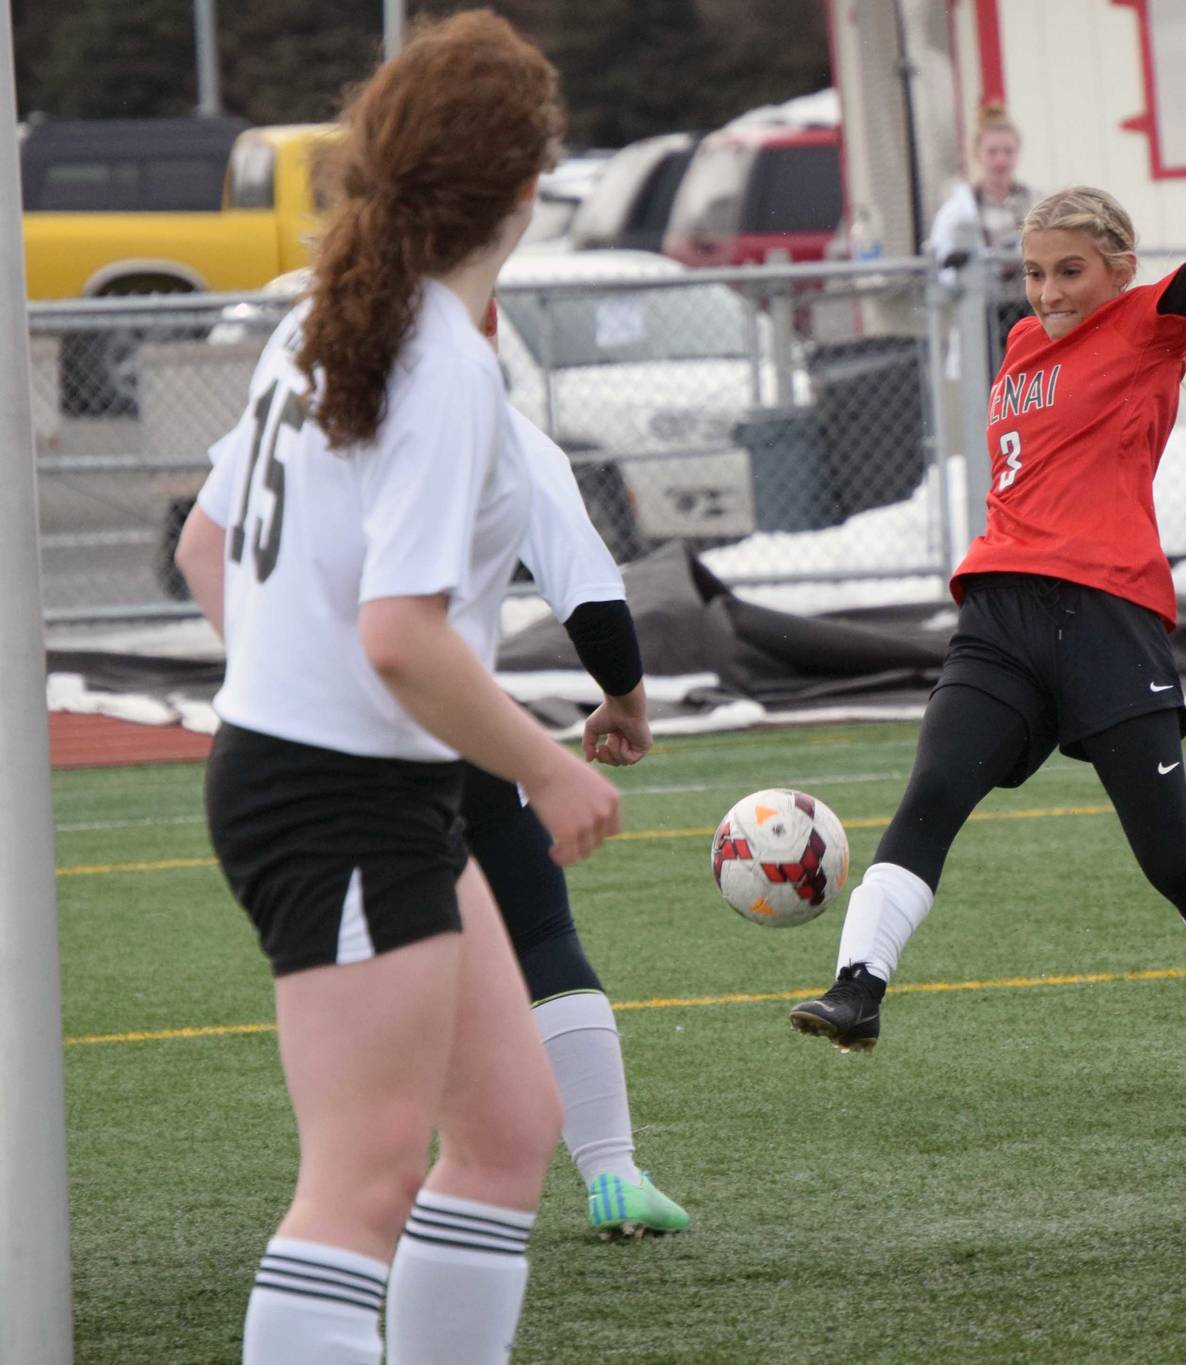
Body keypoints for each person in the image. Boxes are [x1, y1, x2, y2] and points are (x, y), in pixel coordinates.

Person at [173, 15, 617, 1362]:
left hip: (359, 783)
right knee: (359, 1184)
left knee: (502, 1132)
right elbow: (401, 639)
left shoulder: (338, 309)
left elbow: (206, 551)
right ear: (532, 185)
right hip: (337, 799)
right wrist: (549, 763)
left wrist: (292, 685)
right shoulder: (441, 356)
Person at [790, 36, 1186, 1084]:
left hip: (1105, 619)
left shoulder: (1147, 328)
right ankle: (857, 989)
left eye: (1068, 272)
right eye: (1034, 273)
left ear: (1118, 273)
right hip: (999, 618)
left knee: (1174, 862)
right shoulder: (1016, 349)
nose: (1046, 291)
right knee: (925, 802)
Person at [463, 298, 691, 1238]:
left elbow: (206, 547)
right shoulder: (498, 435)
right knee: (539, 933)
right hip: (429, 727)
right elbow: (592, 596)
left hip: (277, 750)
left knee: (371, 967)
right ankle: (610, 1173)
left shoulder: (298, 397)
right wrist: (627, 701)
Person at [928, 101, 1038, 371]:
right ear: (978, 155)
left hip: (1029, 309)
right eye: (992, 152)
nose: (1000, 160)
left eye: (1007, 152)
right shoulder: (961, 209)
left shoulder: (1033, 201)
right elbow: (942, 260)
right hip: (986, 313)